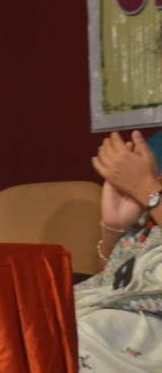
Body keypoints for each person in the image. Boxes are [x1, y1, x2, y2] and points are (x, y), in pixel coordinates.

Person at [76, 128, 162, 370]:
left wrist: (148, 190)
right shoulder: (155, 148)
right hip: (124, 302)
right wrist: (114, 228)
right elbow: (111, 279)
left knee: (82, 334)